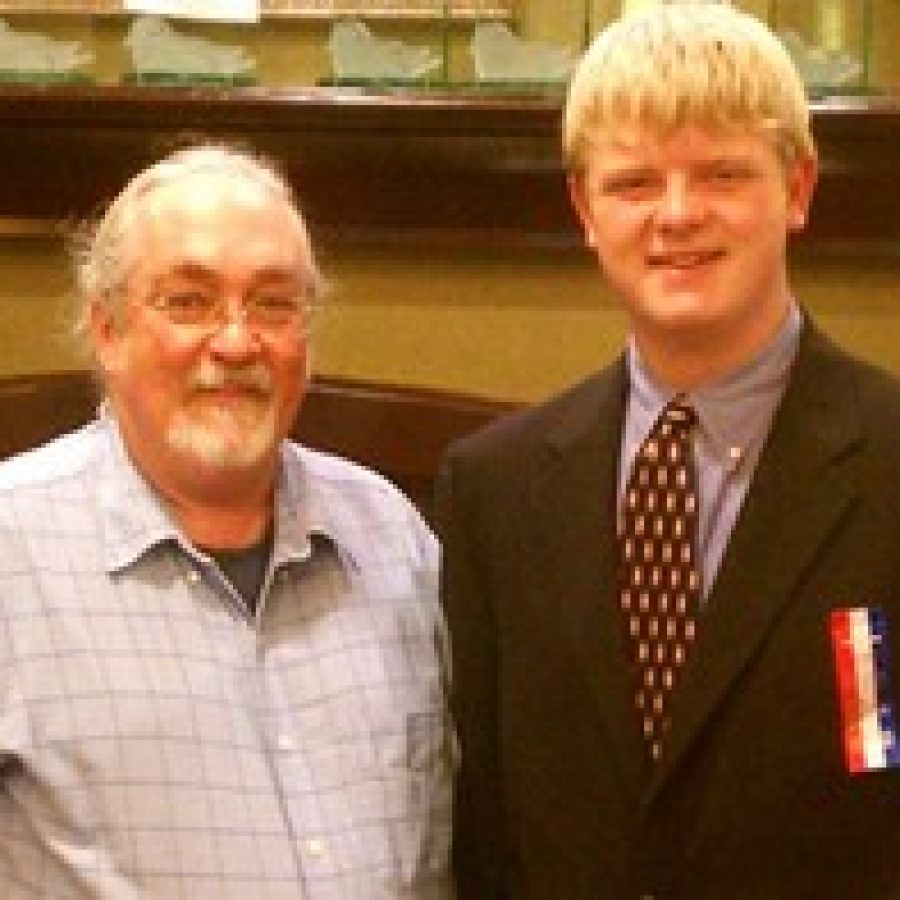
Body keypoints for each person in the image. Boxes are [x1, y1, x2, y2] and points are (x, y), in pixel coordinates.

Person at [437, 4, 900, 897]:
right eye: (635, 183)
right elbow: (486, 824)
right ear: (584, 207)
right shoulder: (493, 489)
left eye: (722, 173)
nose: (678, 215)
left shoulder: (889, 460)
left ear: (798, 188)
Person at [0, 143, 454, 897]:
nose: (237, 342)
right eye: (189, 301)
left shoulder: (394, 539)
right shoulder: (11, 550)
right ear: (105, 330)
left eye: (273, 303)